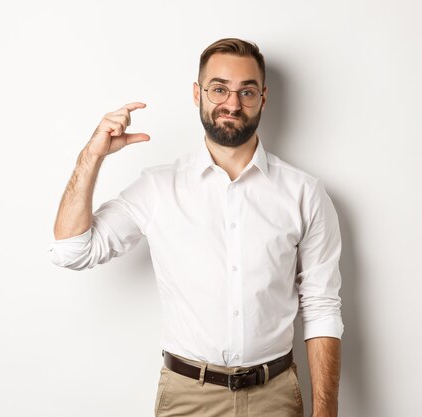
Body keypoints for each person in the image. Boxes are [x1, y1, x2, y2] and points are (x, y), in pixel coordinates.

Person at [49, 38, 343, 417]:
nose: (232, 104)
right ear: (197, 93)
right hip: (188, 397)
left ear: (263, 98)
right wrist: (90, 157)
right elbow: (71, 252)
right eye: (219, 88)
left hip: (276, 396)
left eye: (246, 91)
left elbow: (321, 307)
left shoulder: (304, 193)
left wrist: (326, 412)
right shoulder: (157, 188)